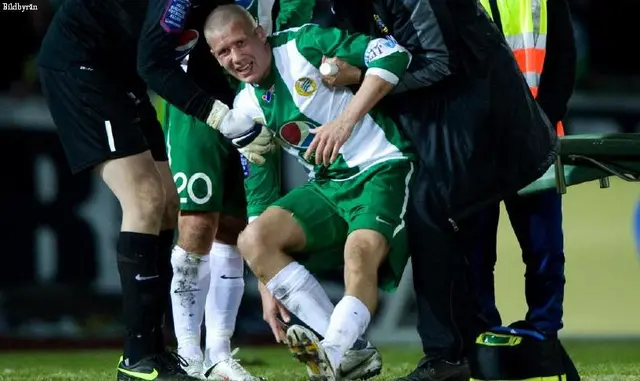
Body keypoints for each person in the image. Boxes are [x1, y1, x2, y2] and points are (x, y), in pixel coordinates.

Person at [37, 0, 274, 379]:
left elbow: (194, 64)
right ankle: (136, 358)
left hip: (120, 72)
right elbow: (153, 62)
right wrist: (225, 120)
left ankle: (154, 351)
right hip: (82, 65)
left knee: (167, 202)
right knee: (145, 199)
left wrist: (245, 114)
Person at [323, 1, 559, 380]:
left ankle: (451, 355)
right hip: (448, 122)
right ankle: (465, 353)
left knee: (432, 217)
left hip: (482, 122)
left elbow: (436, 60)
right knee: (445, 229)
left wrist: (364, 77)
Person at [204, 4, 415, 380]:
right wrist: (267, 281)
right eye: (224, 52)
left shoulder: (304, 44)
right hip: (327, 187)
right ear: (215, 58)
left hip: (381, 166)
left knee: (359, 252)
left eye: (240, 43)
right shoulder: (245, 106)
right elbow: (259, 192)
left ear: (259, 33)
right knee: (252, 240)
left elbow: (393, 53)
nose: (237, 57)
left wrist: (345, 123)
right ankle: (349, 350)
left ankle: (332, 350)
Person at [163, 0, 320, 379]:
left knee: (234, 229)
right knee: (198, 224)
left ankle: (218, 354)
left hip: (255, 96)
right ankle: (188, 356)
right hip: (199, 103)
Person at [468, 0, 577, 339]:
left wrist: (538, 126)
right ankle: (482, 337)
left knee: (543, 249)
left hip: (534, 145)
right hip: (476, 144)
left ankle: (543, 334)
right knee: (476, 252)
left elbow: (563, 58)